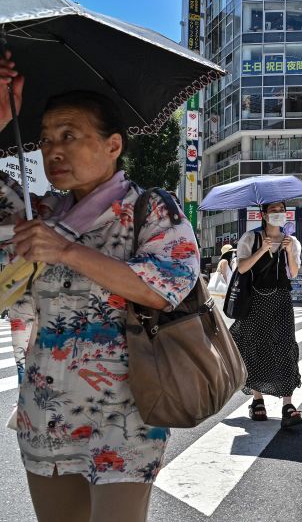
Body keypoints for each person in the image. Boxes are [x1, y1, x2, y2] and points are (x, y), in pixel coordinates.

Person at [0, 81, 199, 520]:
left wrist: (66, 251)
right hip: (45, 413)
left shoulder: (152, 208)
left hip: (126, 417)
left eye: (69, 135)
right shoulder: (40, 215)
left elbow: (164, 288)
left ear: (113, 145)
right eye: (46, 138)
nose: (53, 149)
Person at [229, 201, 302, 428]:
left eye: (282, 211)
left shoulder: (292, 241)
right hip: (254, 301)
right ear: (264, 215)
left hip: (281, 301)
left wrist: (289, 251)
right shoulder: (250, 238)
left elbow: (293, 273)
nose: (279, 215)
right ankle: (257, 400)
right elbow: (240, 268)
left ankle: (288, 404)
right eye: (274, 211)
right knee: (253, 346)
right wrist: (262, 249)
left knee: (284, 345)